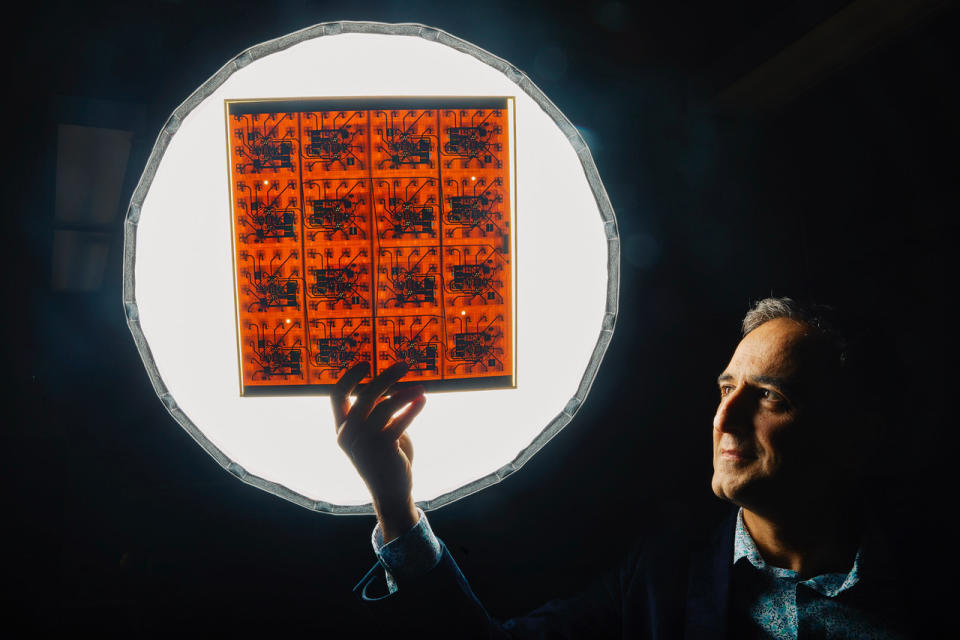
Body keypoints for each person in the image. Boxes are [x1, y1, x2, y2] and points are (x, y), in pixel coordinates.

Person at [331, 298, 914, 638]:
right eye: (725, 387)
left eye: (769, 397)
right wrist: (394, 504)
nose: (723, 417)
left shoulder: (932, 573)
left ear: (855, 432)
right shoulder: (658, 578)